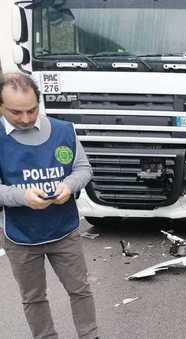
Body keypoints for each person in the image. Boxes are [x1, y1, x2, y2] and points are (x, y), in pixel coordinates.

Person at [0, 73, 98, 339]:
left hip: (64, 230)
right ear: (1, 106)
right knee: (33, 298)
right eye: (15, 112)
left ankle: (90, 335)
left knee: (80, 289)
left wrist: (68, 186)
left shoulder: (63, 131)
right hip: (20, 236)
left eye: (31, 110)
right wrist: (23, 197)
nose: (25, 118)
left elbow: (83, 169)